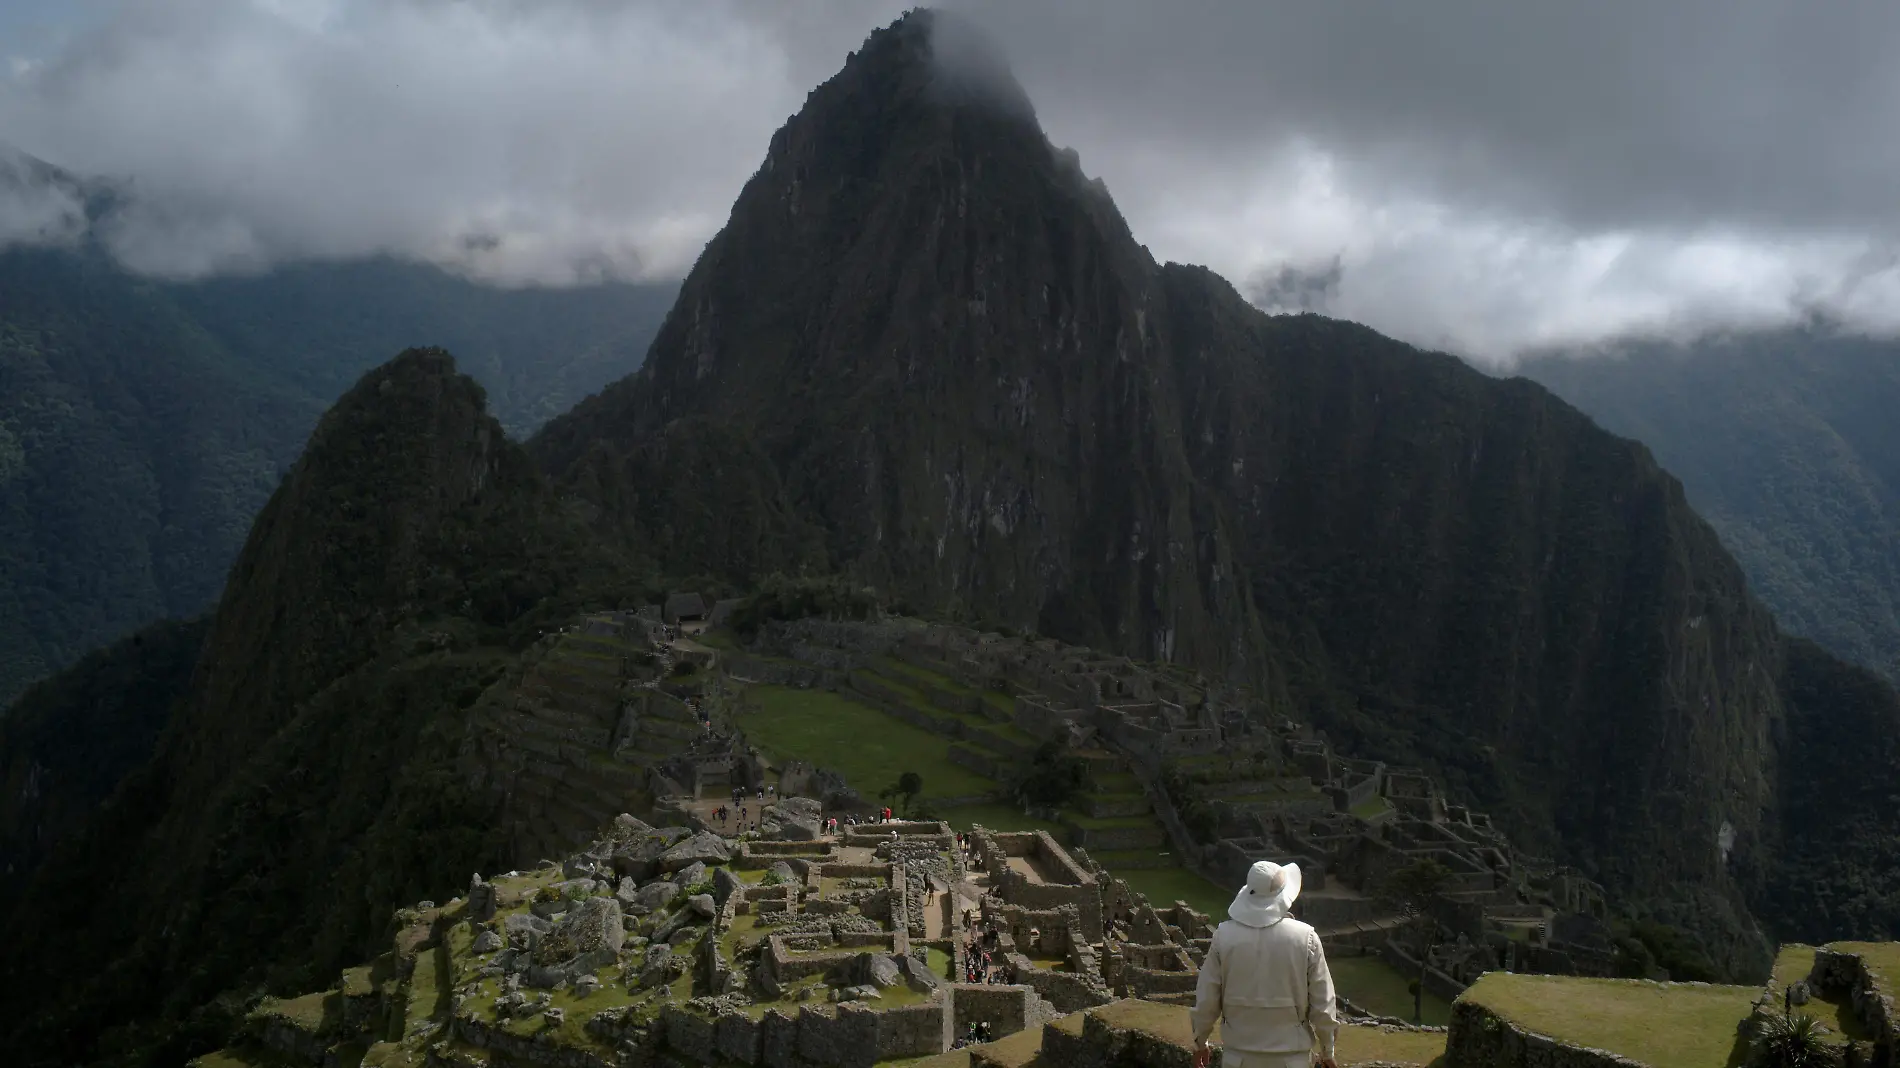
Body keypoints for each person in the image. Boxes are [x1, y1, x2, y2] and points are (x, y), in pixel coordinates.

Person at [1190, 860, 1338, 1068]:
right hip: (1292, 1059)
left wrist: (1200, 1042)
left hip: (1238, 1059)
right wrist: (1327, 1050)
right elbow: (1323, 1003)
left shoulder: (1224, 936)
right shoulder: (1305, 938)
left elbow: (1207, 998)